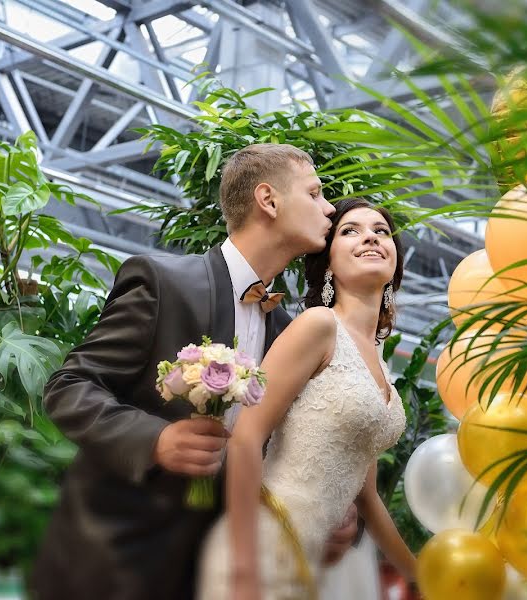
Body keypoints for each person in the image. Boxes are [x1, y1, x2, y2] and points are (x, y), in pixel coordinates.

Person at [30, 143, 347, 600]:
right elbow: (70, 386)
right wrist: (155, 440)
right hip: (121, 558)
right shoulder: (163, 282)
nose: (329, 208)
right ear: (268, 200)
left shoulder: (289, 332)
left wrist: (325, 513)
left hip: (219, 568)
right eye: (315, 193)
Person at [196, 198, 418, 600]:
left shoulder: (382, 367)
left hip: (319, 565)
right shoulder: (318, 326)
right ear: (329, 264)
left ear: (395, 264)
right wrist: (245, 566)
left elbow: (365, 495)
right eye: (350, 231)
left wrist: (420, 575)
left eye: (381, 232)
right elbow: (247, 437)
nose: (370, 236)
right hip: (264, 549)